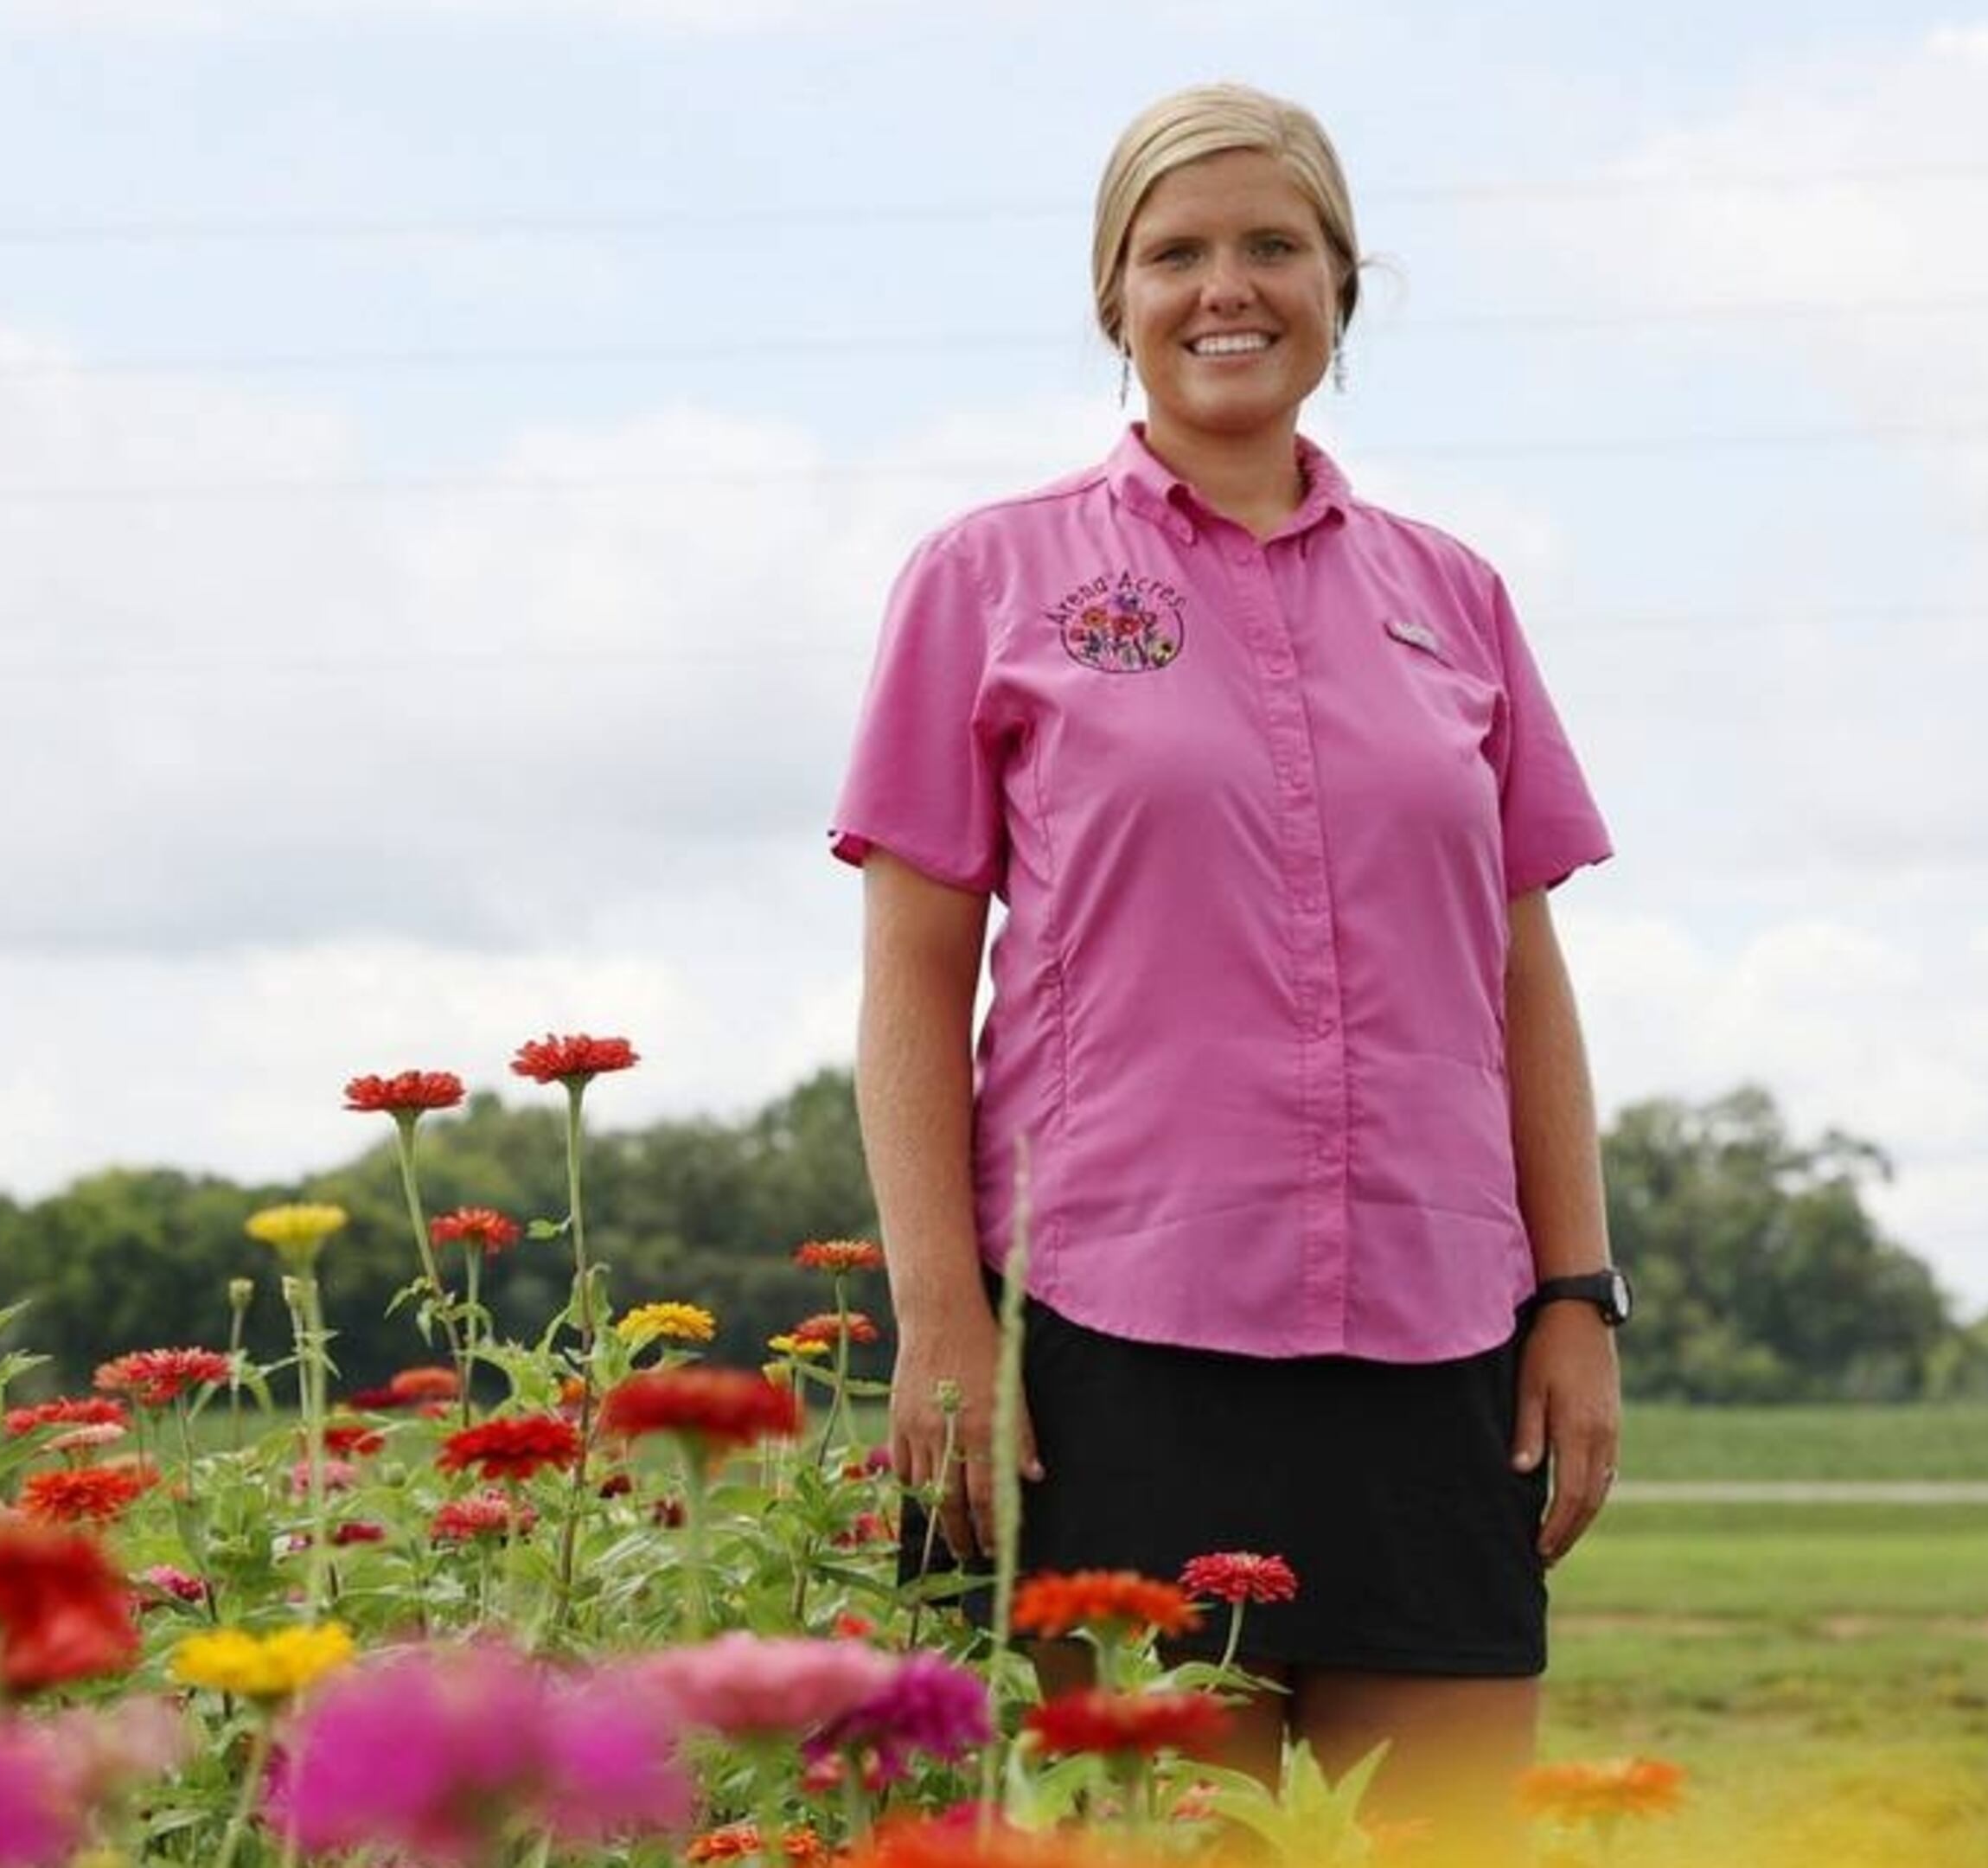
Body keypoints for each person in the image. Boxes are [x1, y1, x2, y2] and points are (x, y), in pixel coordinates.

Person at [830, 80, 1624, 1859]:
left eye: (1274, 246)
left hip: (1443, 1343)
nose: (1226, 289)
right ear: (1113, 296)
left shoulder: (1458, 598)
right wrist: (945, 1317)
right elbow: (907, 989)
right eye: (1174, 253)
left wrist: (1576, 1294)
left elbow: (1522, 972)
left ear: (1345, 286)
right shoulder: (990, 580)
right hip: (1109, 1353)